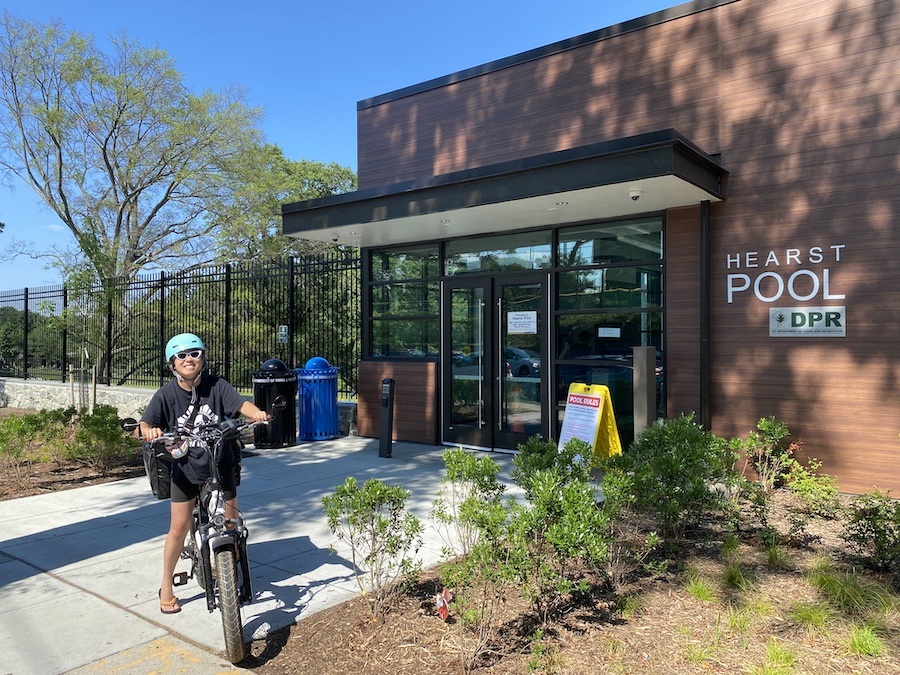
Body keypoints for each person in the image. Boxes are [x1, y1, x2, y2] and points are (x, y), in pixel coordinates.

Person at [139, 332, 269, 615]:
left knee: (233, 524)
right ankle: (166, 585)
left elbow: (240, 405)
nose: (189, 359)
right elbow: (145, 423)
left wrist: (256, 413)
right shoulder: (166, 394)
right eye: (181, 356)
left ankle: (228, 568)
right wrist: (149, 430)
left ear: (203, 357)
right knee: (178, 527)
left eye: (194, 353)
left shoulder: (217, 386)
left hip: (219, 465)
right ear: (172, 363)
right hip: (185, 469)